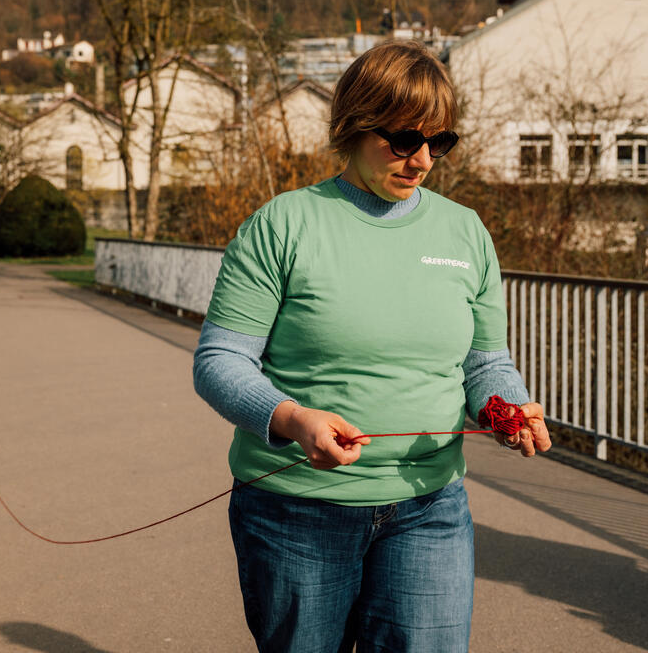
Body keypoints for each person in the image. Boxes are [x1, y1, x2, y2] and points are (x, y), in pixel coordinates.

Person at [193, 40, 552, 653]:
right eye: (404, 141)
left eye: (439, 143)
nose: (422, 161)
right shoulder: (282, 225)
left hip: (430, 509)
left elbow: (486, 363)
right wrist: (293, 419)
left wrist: (506, 409)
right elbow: (220, 361)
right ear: (354, 127)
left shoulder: (465, 232)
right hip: (296, 511)